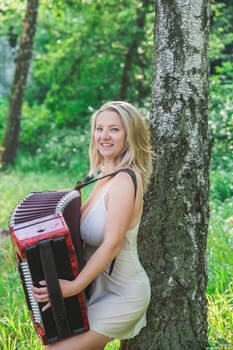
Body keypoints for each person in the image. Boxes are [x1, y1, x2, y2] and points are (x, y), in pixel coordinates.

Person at [32, 101, 153, 350]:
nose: (104, 136)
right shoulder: (99, 174)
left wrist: (73, 287)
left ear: (130, 135)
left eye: (114, 129)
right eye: (99, 128)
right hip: (93, 289)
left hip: (122, 294)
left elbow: (112, 243)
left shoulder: (124, 180)